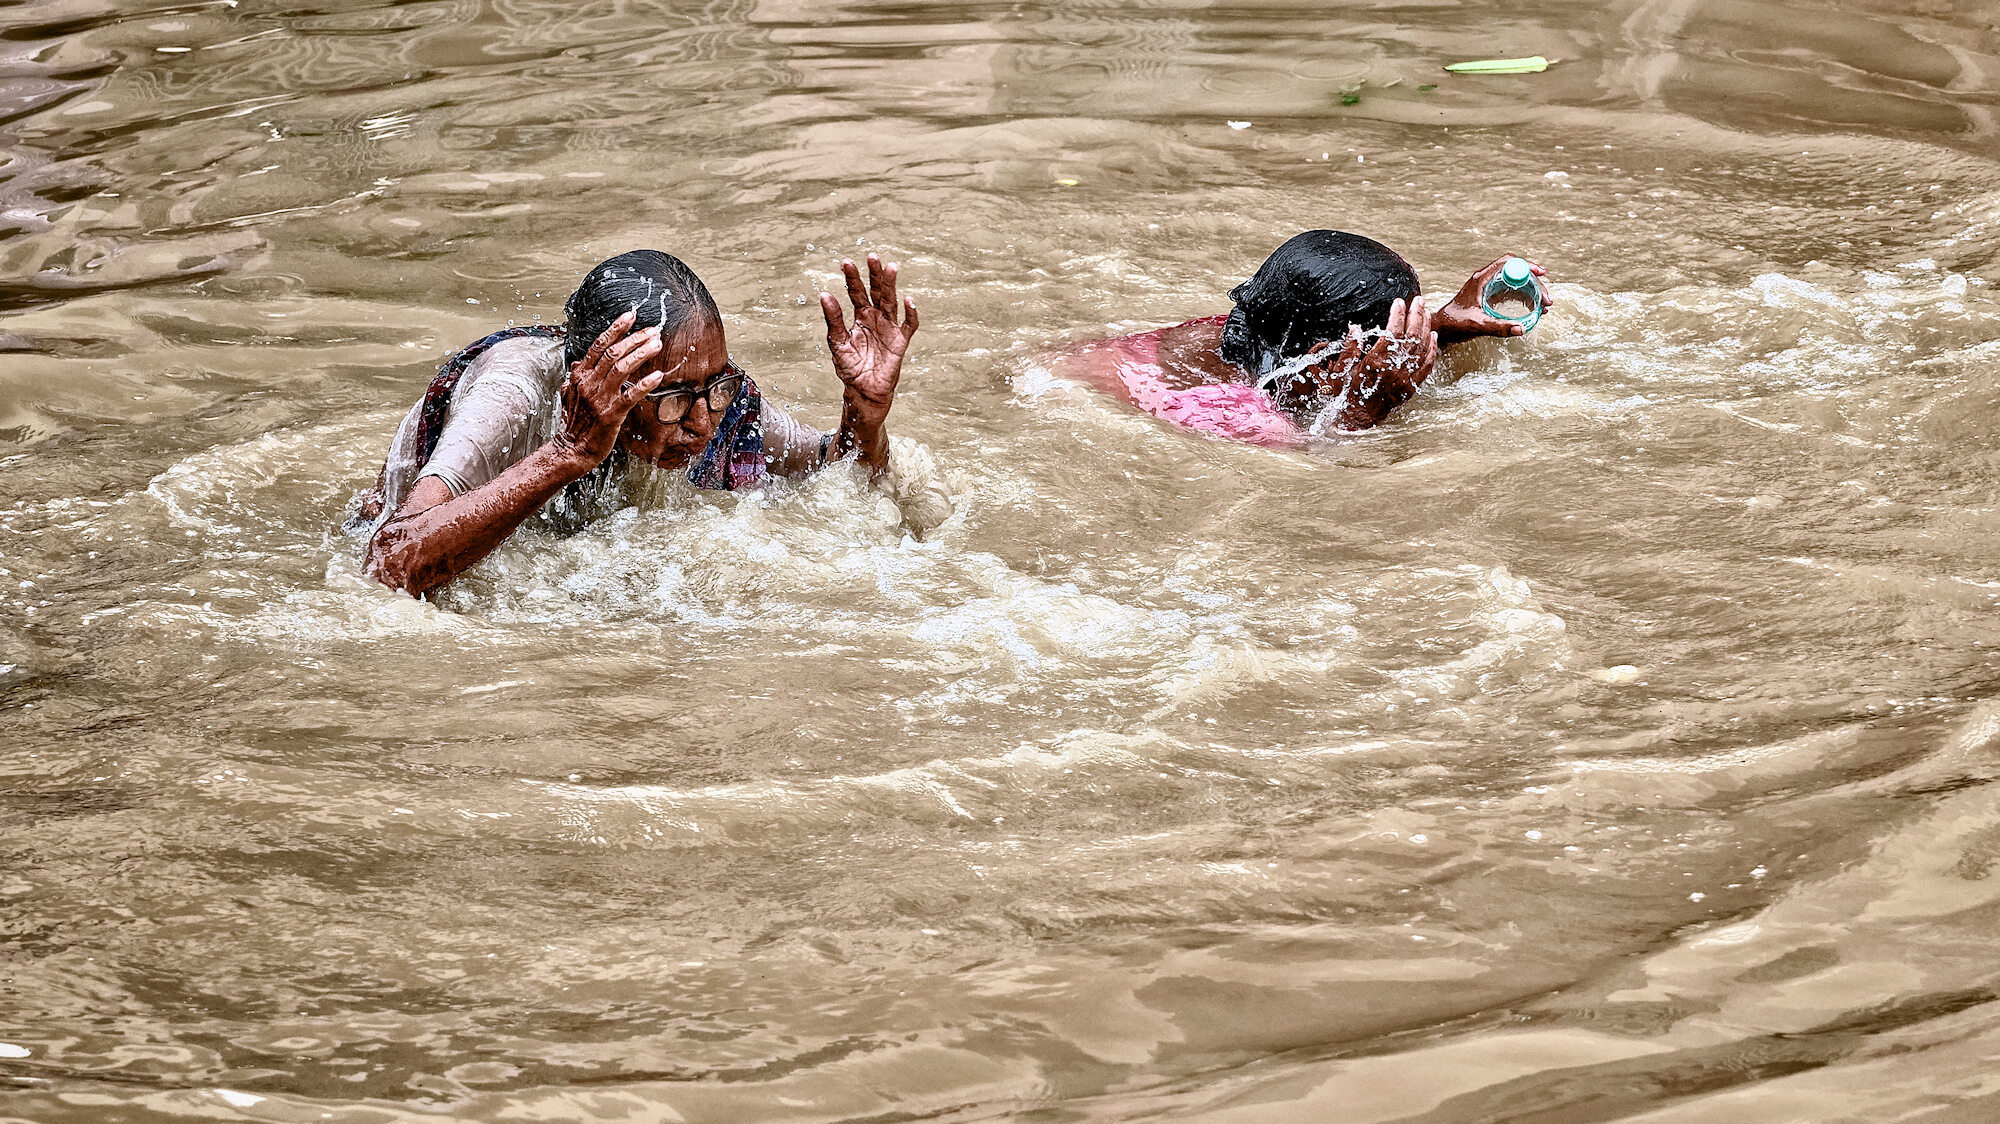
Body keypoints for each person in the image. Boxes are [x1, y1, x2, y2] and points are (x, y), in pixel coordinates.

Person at [357, 249, 918, 596]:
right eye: (672, 398)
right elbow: (388, 562)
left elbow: (843, 477)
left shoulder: (717, 398)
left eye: (715, 389)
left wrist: (865, 416)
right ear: (597, 378)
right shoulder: (514, 397)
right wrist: (568, 453)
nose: (701, 424)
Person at [1056, 229, 1552, 443]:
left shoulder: (1240, 334)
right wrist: (1369, 408)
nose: (1404, 347)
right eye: (1394, 339)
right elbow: (1328, 481)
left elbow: (1303, 369)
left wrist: (1445, 322)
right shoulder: (1236, 415)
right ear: (1323, 354)